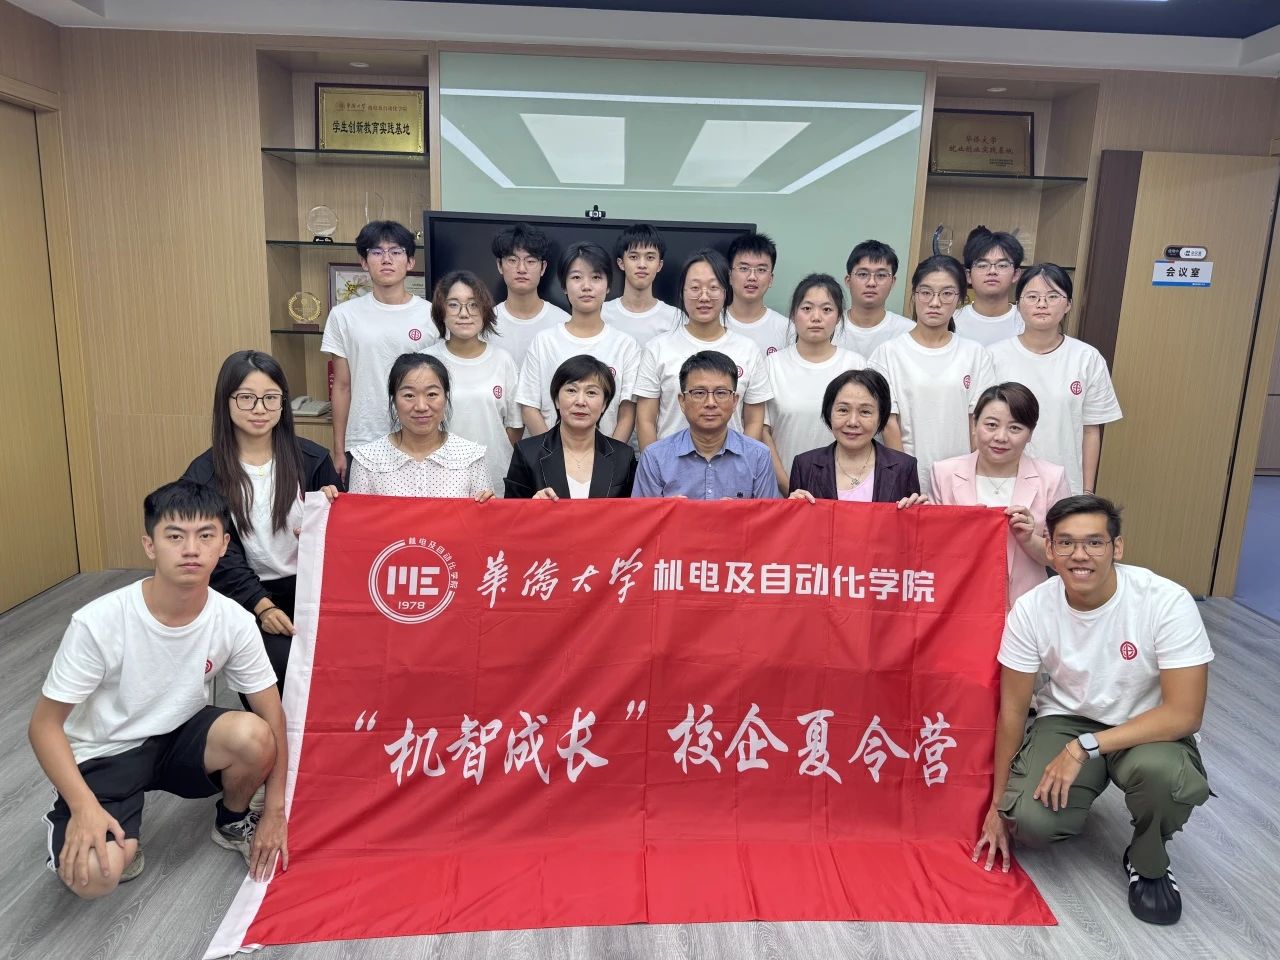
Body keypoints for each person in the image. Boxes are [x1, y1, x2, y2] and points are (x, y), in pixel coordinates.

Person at [29, 481, 288, 898]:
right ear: (150, 545)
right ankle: (95, 817)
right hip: (107, 750)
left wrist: (274, 811)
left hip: (177, 737)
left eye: (206, 536)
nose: (192, 549)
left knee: (255, 735)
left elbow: (273, 716)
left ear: (224, 545)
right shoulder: (98, 621)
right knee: (93, 877)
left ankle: (232, 820)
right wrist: (83, 806)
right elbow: (44, 726)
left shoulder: (235, 620)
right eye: (175, 536)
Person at [973, 495, 1212, 927]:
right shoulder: (1031, 609)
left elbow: (1184, 714)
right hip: (1067, 719)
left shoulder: (1165, 600)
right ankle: (1080, 792)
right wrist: (997, 805)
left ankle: (1147, 859)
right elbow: (1012, 710)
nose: (1079, 555)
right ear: (1049, 549)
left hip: (1146, 725)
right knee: (1028, 821)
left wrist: (1085, 747)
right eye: (1065, 543)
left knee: (1165, 778)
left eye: (1094, 543)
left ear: (1117, 547)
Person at [181, 350, 341, 696]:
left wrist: (331, 520)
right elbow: (216, 555)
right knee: (280, 673)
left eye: (271, 398)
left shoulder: (313, 460)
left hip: (314, 592)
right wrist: (262, 606)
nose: (259, 409)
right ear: (226, 401)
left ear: (283, 403)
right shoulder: (204, 475)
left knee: (339, 671)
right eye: (246, 398)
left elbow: (344, 543)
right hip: (245, 596)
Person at [930, 382, 1070, 607]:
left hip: (1024, 608)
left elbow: (1063, 556)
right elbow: (933, 550)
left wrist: (1029, 539)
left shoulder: (1052, 478)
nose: (1001, 437)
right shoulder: (943, 473)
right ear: (974, 424)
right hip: (960, 604)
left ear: (1030, 433)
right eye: (991, 425)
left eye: (1015, 428)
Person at [989, 264, 1123, 495]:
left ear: (1068, 304)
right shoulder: (993, 356)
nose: (1042, 304)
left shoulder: (1087, 358)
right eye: (1032, 296)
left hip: (1064, 485)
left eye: (1052, 296)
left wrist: (1086, 492)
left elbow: (1091, 431)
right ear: (1018, 304)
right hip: (1002, 482)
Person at [321, 219, 438, 484]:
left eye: (396, 251)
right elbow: (342, 386)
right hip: (363, 438)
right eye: (377, 252)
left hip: (420, 438)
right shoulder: (343, 316)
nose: (386, 259)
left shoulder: (431, 315)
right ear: (364, 262)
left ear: (410, 262)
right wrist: (338, 449)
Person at [870, 255, 996, 496]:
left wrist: (972, 477)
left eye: (947, 294)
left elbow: (978, 422)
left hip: (961, 479)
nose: (935, 302)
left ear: (960, 299)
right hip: (906, 481)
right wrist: (904, 478)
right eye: (926, 292)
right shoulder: (887, 353)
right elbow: (888, 424)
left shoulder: (974, 354)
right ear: (914, 295)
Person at [635, 249, 772, 448]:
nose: (704, 297)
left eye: (713, 287)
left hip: (732, 463)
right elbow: (645, 420)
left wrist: (742, 461)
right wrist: (656, 464)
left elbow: (754, 421)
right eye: (695, 288)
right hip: (670, 463)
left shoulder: (748, 349)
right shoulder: (657, 348)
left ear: (725, 292)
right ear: (682, 292)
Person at [516, 241, 641, 442]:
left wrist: (610, 457)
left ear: (608, 286)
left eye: (596, 277)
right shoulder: (544, 342)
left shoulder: (625, 345)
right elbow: (529, 406)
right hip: (549, 456)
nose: (586, 286)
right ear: (564, 286)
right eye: (576, 277)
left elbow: (628, 412)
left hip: (607, 456)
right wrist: (552, 454)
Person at [762, 274, 867, 493]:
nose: (816, 317)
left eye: (827, 309)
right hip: (785, 492)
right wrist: (788, 487)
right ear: (793, 314)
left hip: (843, 493)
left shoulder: (855, 365)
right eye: (807, 308)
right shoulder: (772, 365)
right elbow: (763, 432)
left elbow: (865, 430)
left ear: (839, 317)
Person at [424, 270, 523, 495]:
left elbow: (515, 425)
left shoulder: (502, 360)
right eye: (453, 305)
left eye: (473, 305)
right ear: (441, 311)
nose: (464, 313)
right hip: (440, 474)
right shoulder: (427, 361)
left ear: (485, 310)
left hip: (495, 471)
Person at [347, 353, 494, 499]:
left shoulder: (471, 457)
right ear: (394, 401)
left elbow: (483, 513)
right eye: (409, 395)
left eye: (432, 394)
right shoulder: (367, 460)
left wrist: (488, 507)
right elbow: (357, 513)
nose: (421, 406)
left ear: (445, 397)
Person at [633, 350, 777, 499]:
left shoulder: (759, 456)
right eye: (699, 393)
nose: (710, 403)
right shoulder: (655, 457)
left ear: (734, 401)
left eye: (721, 393)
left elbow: (769, 513)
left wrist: (739, 512)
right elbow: (643, 514)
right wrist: (669, 510)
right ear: (682, 401)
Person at [505, 355, 637, 499]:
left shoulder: (624, 456)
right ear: (556, 399)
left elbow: (633, 511)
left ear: (604, 404)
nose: (580, 401)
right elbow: (511, 512)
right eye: (571, 390)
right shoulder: (527, 453)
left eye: (591, 393)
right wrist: (532, 506)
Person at [787, 369, 924, 506]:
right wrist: (791, 507)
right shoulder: (804, 465)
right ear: (829, 413)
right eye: (843, 410)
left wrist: (918, 511)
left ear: (881, 417)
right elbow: (796, 519)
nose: (852, 422)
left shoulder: (904, 466)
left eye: (865, 412)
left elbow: (911, 518)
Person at [491, 221, 570, 368]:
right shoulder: (485, 322)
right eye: (512, 260)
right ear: (499, 265)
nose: (521, 269)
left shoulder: (563, 323)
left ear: (543, 268)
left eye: (531, 261)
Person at [601, 222, 680, 346]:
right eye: (633, 257)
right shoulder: (602, 313)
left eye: (650, 257)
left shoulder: (675, 318)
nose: (642, 265)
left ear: (660, 265)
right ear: (621, 263)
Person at [833, 239, 914, 357]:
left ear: (892, 282)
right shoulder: (829, 326)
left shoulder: (908, 331)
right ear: (848, 281)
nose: (871, 283)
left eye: (881, 275)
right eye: (863, 274)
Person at [953, 226, 1026, 346]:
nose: (992, 271)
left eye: (1002, 265)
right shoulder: (951, 321)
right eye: (982, 265)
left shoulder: (1027, 323)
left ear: (1016, 274)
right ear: (968, 275)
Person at [725, 231, 789, 354]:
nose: (752, 277)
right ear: (730, 276)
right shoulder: (713, 322)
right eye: (744, 268)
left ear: (771, 279)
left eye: (761, 270)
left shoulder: (786, 329)